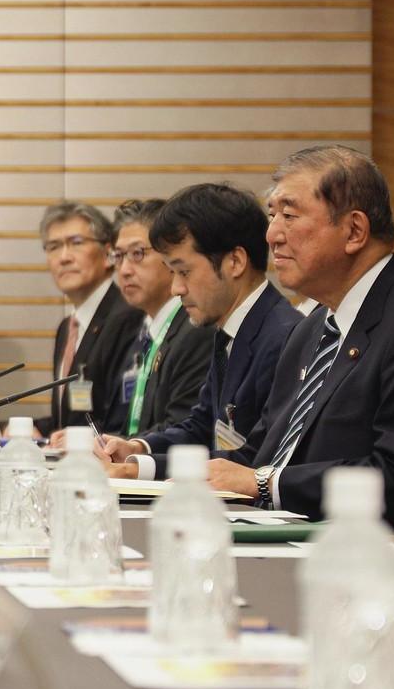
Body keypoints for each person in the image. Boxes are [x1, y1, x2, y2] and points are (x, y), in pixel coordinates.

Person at [205, 146, 394, 526]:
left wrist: (266, 484)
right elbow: (259, 455)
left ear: (355, 231)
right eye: (272, 215)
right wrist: (145, 469)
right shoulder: (310, 329)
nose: (272, 234)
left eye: (290, 216)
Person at [102, 183, 302, 478]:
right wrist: (138, 450)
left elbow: (251, 460)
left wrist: (138, 470)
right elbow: (201, 426)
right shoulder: (229, 330)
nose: (176, 288)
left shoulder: (284, 338)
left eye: (184, 272)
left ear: (235, 261)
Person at [103, 198, 216, 439]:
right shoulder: (142, 331)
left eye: (137, 253)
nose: (124, 270)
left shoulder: (196, 328)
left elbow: (185, 426)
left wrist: (132, 449)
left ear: (170, 257)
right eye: (119, 256)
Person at [35, 201, 142, 436]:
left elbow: (121, 420)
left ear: (108, 254)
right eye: (53, 246)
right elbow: (68, 421)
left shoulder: (128, 317)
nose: (64, 257)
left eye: (76, 243)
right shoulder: (67, 327)